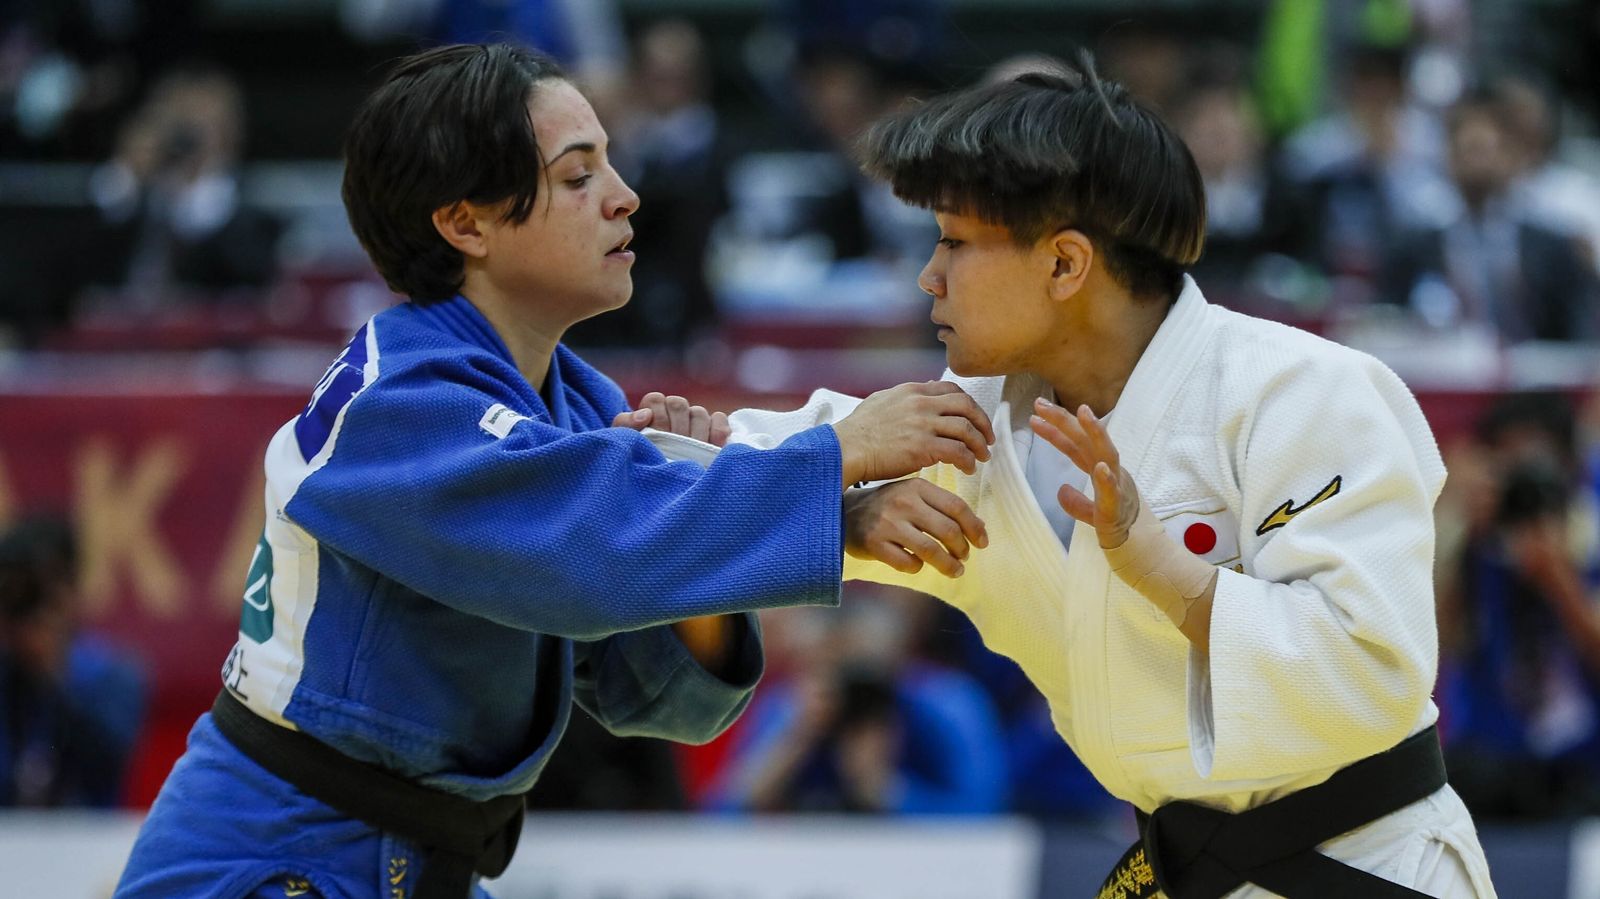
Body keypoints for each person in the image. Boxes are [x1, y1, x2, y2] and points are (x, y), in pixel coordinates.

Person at [113, 43, 994, 899]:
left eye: (609, 164)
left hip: (420, 857)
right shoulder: (393, 403)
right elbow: (590, 549)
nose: (624, 196)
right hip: (274, 853)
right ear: (465, 222)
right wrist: (835, 461)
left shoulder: (573, 401)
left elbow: (663, 698)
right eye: (578, 177)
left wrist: (726, 497)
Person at [644, 57, 1497, 896]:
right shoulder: (966, 426)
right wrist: (705, 458)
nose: (927, 275)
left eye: (956, 242)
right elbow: (752, 459)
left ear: (1064, 266)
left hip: (1368, 865)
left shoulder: (1300, 391)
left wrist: (1168, 574)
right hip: (1185, 864)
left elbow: (1371, 672)